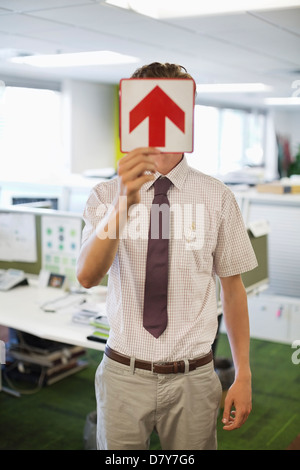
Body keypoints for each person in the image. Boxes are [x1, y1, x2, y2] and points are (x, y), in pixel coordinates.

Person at [76, 62, 258, 450]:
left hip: (194, 377)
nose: (159, 127)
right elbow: (88, 276)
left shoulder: (217, 197)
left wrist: (242, 373)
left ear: (188, 116)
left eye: (172, 111)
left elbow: (233, 288)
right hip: (124, 374)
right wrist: (124, 201)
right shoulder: (105, 196)